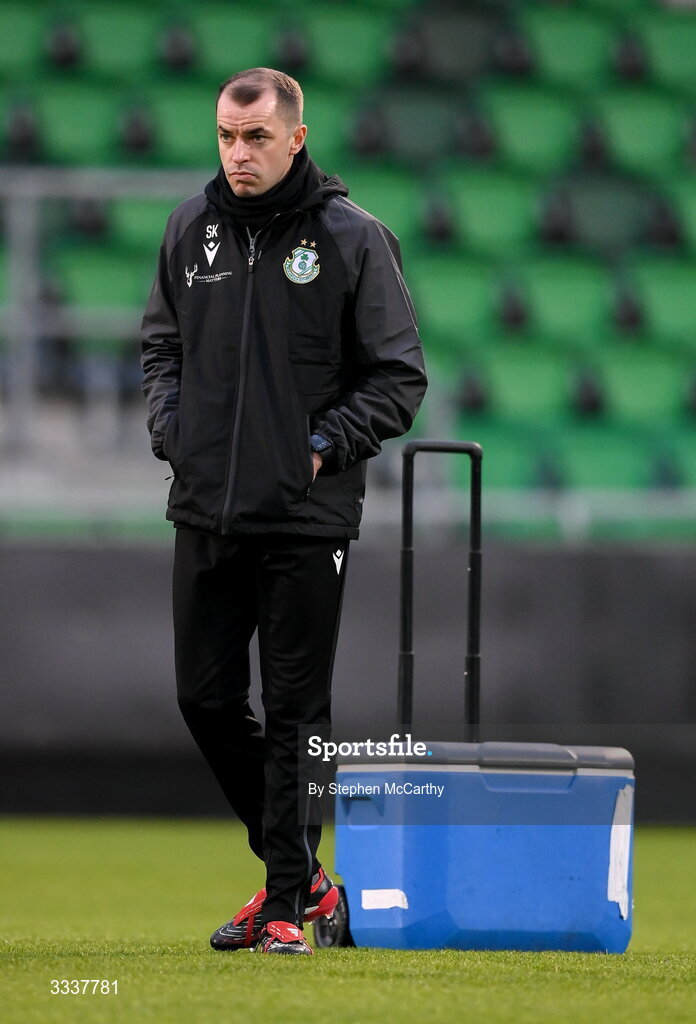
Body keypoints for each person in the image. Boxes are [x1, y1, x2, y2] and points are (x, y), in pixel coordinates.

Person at [141, 67, 426, 956]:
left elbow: (399, 377)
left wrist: (318, 446)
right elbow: (161, 346)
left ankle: (285, 906)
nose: (238, 153)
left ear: (296, 137)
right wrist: (173, 432)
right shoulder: (190, 229)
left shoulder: (352, 239)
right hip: (206, 509)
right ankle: (306, 883)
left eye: (256, 137)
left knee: (299, 715)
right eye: (227, 136)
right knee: (204, 699)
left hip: (306, 519)